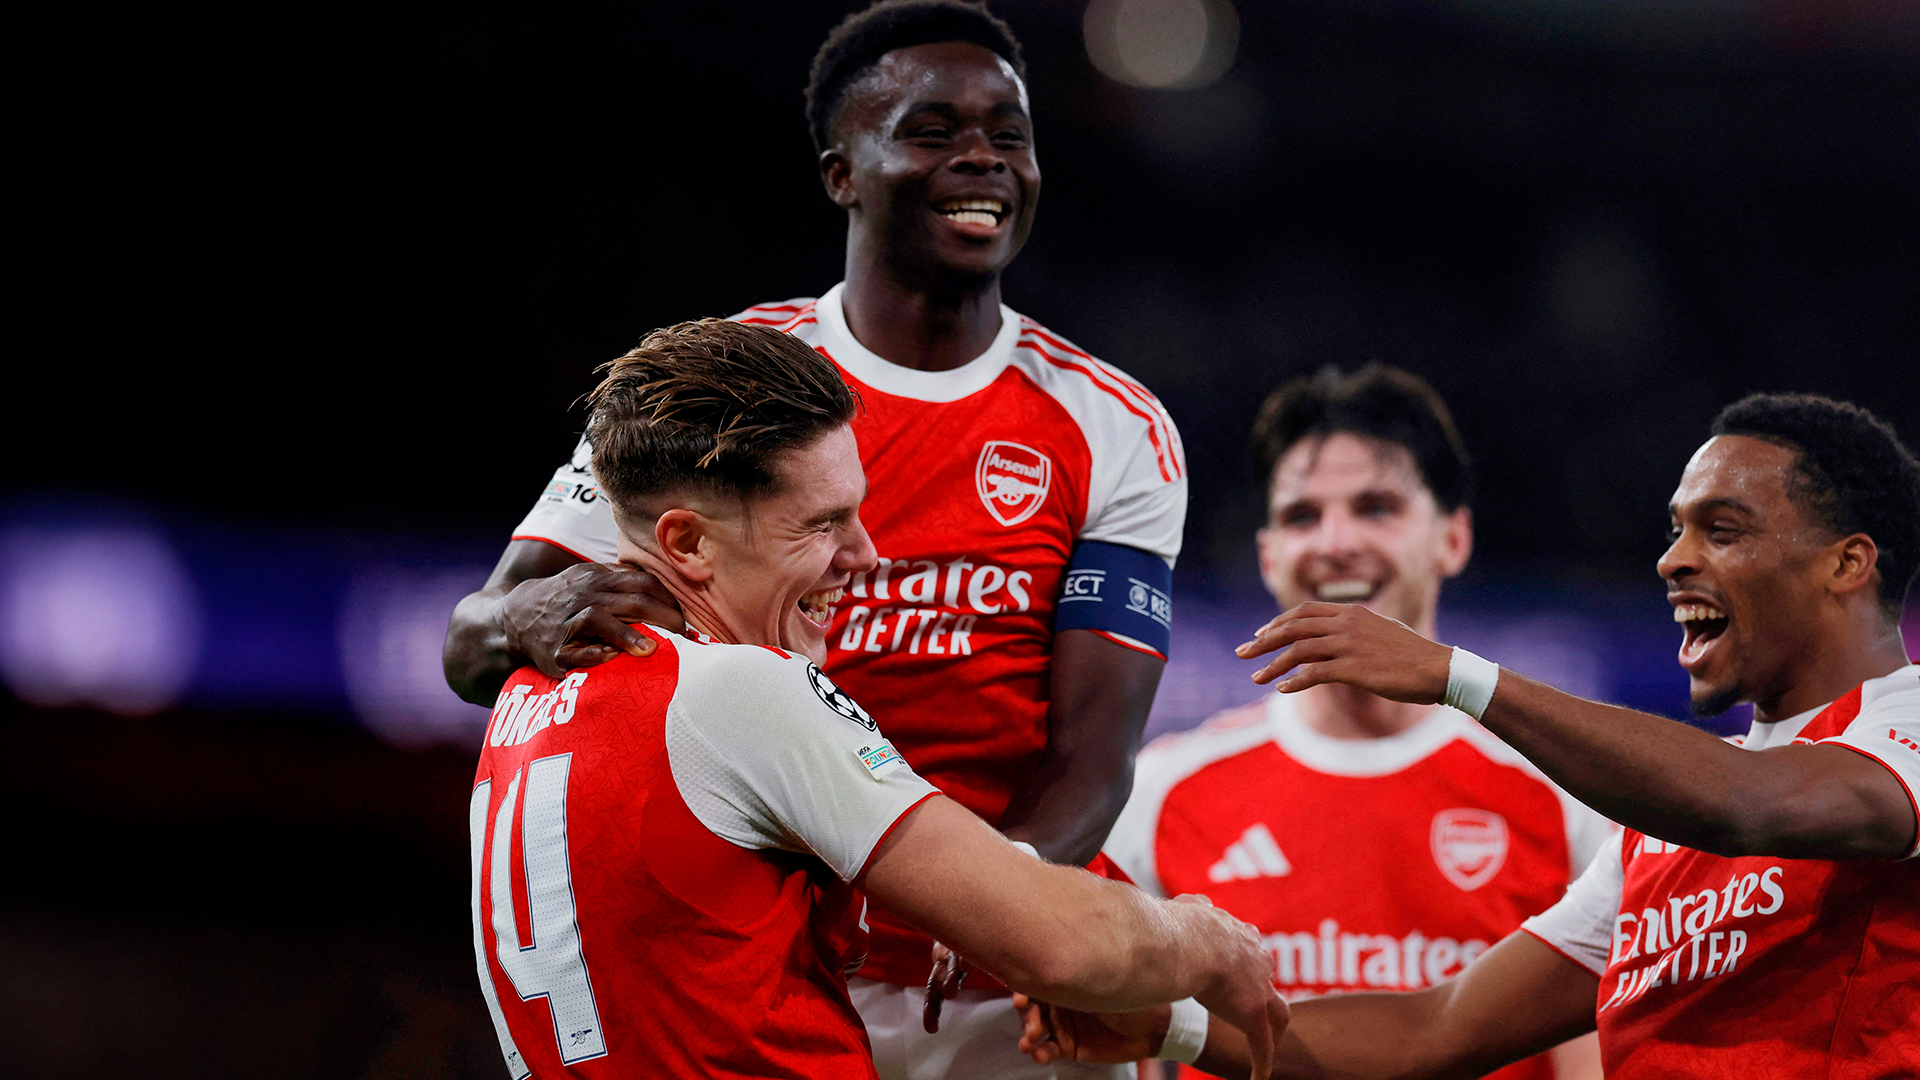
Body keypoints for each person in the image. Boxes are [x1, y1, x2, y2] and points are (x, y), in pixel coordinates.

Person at [445, 3, 1186, 1075]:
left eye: (1008, 134)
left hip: (989, 990)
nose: (980, 157)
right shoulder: (727, 380)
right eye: (932, 130)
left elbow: (1092, 756)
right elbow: (471, 642)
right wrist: (531, 609)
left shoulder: (1114, 424)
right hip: (766, 959)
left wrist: (1001, 903)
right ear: (844, 172)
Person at [1016, 392, 1920, 1078]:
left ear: (1848, 563)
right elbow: (1434, 1029)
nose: (1674, 558)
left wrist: (1457, 677)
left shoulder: (1901, 724)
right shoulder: (1651, 837)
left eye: (1722, 531)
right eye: (1675, 529)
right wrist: (1173, 1028)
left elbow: (1752, 806)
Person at [469, 319, 1285, 1080]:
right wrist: (1207, 940)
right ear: (687, 541)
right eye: (821, 525)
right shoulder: (738, 691)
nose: (865, 557)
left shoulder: (527, 693)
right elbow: (1063, 947)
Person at [1101, 366, 1610, 1080]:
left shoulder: (1562, 794)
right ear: (1269, 555)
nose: (1335, 542)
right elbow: (1124, 1047)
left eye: (1376, 508)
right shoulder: (1162, 792)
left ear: (1453, 540)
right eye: (1303, 516)